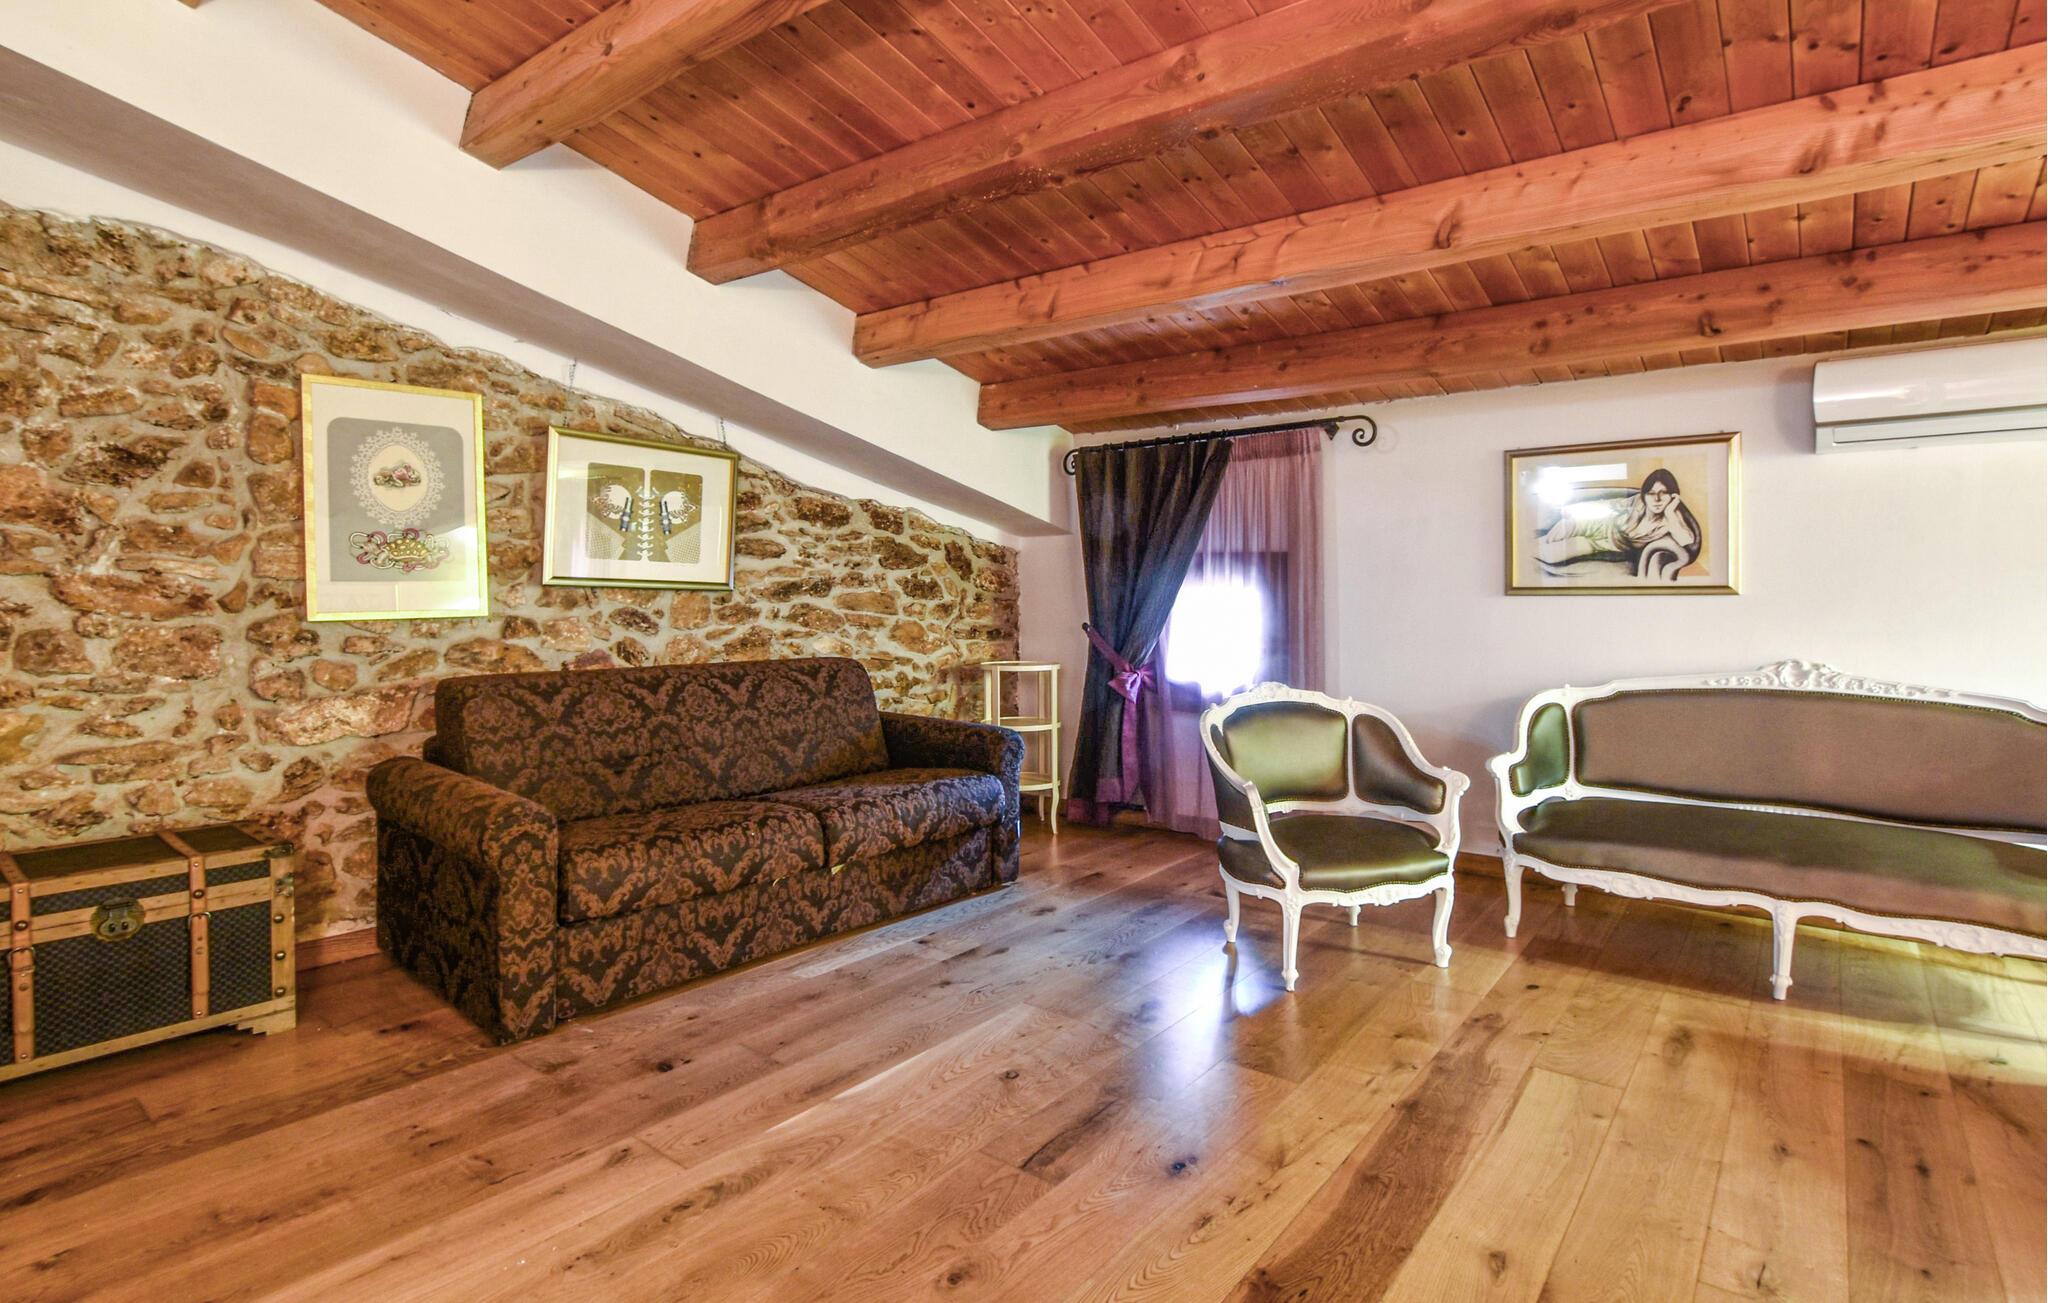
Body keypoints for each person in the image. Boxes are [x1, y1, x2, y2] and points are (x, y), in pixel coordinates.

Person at [1535, 468, 1699, 580]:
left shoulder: (1671, 518)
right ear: (1644, 495)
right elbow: (1611, 505)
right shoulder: (1638, 501)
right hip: (1595, 525)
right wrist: (1574, 512)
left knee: (1550, 555)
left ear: (1673, 495)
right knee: (1547, 540)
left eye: (1664, 493)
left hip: (1600, 543)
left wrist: (1670, 512)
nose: (1657, 499)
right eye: (1651, 493)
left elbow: (1686, 541)